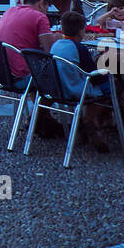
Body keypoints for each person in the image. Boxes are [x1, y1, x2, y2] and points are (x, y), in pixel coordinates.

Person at [50, 12, 114, 151]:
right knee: (111, 86)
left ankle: (87, 121)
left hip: (58, 88)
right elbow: (94, 76)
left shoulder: (56, 45)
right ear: (81, 31)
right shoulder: (80, 48)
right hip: (74, 90)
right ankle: (88, 119)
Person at [0, 0, 60, 81]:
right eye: (46, 9)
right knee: (62, 72)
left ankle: (33, 95)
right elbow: (49, 50)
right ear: (41, 4)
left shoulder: (9, 11)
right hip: (21, 74)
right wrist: (56, 38)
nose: (46, 13)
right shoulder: (39, 17)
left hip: (0, 72)